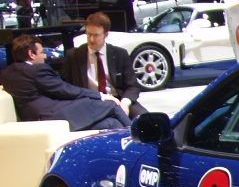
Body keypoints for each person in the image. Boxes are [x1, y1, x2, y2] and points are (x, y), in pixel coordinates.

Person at [1, 35, 130, 131]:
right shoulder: (36, 70)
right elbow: (65, 90)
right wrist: (100, 96)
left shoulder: (7, 72)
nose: (45, 56)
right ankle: (144, 141)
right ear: (31, 54)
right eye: (42, 52)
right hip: (51, 115)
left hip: (33, 117)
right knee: (112, 105)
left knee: (112, 123)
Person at [62, 12, 148, 120]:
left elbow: (132, 86)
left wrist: (125, 103)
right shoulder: (74, 56)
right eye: (88, 34)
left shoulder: (120, 54)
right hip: (89, 101)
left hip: (118, 99)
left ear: (106, 34)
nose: (91, 39)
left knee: (145, 118)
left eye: (96, 35)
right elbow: (67, 87)